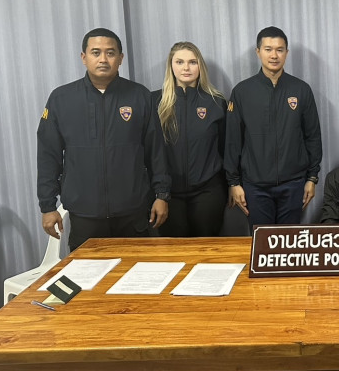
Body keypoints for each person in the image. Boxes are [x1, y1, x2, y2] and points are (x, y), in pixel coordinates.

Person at [37, 28, 170, 251]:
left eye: (110, 53)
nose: (103, 59)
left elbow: (156, 151)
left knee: (137, 270)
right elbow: (48, 155)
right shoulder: (61, 98)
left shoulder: (139, 96)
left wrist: (162, 195)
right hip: (85, 215)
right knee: (88, 273)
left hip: (133, 213)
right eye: (96, 52)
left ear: (120, 58)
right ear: (84, 57)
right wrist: (47, 206)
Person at [225, 26, 322, 227]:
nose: (274, 55)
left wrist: (312, 178)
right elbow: (233, 141)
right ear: (258, 51)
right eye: (268, 49)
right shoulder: (242, 92)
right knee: (262, 242)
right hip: (255, 187)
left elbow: (312, 136)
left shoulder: (301, 89)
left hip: (294, 184)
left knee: (290, 242)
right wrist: (233, 182)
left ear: (287, 52)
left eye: (279, 49)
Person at [152, 42, 228, 237]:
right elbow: (149, 152)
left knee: (206, 249)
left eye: (192, 62)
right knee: (175, 251)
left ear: (200, 66)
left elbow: (225, 148)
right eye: (180, 62)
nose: (186, 68)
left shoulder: (216, 103)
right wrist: (159, 192)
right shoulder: (154, 102)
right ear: (171, 66)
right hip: (169, 195)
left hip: (208, 192)